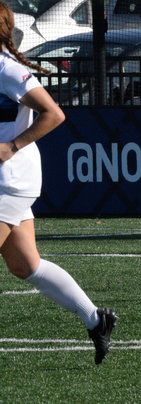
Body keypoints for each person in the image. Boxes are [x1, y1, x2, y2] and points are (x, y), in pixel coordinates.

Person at [0, 1, 117, 364]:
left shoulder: (6, 69)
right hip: (9, 182)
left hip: (7, 181)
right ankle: (96, 320)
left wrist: (12, 146)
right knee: (26, 265)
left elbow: (54, 113)